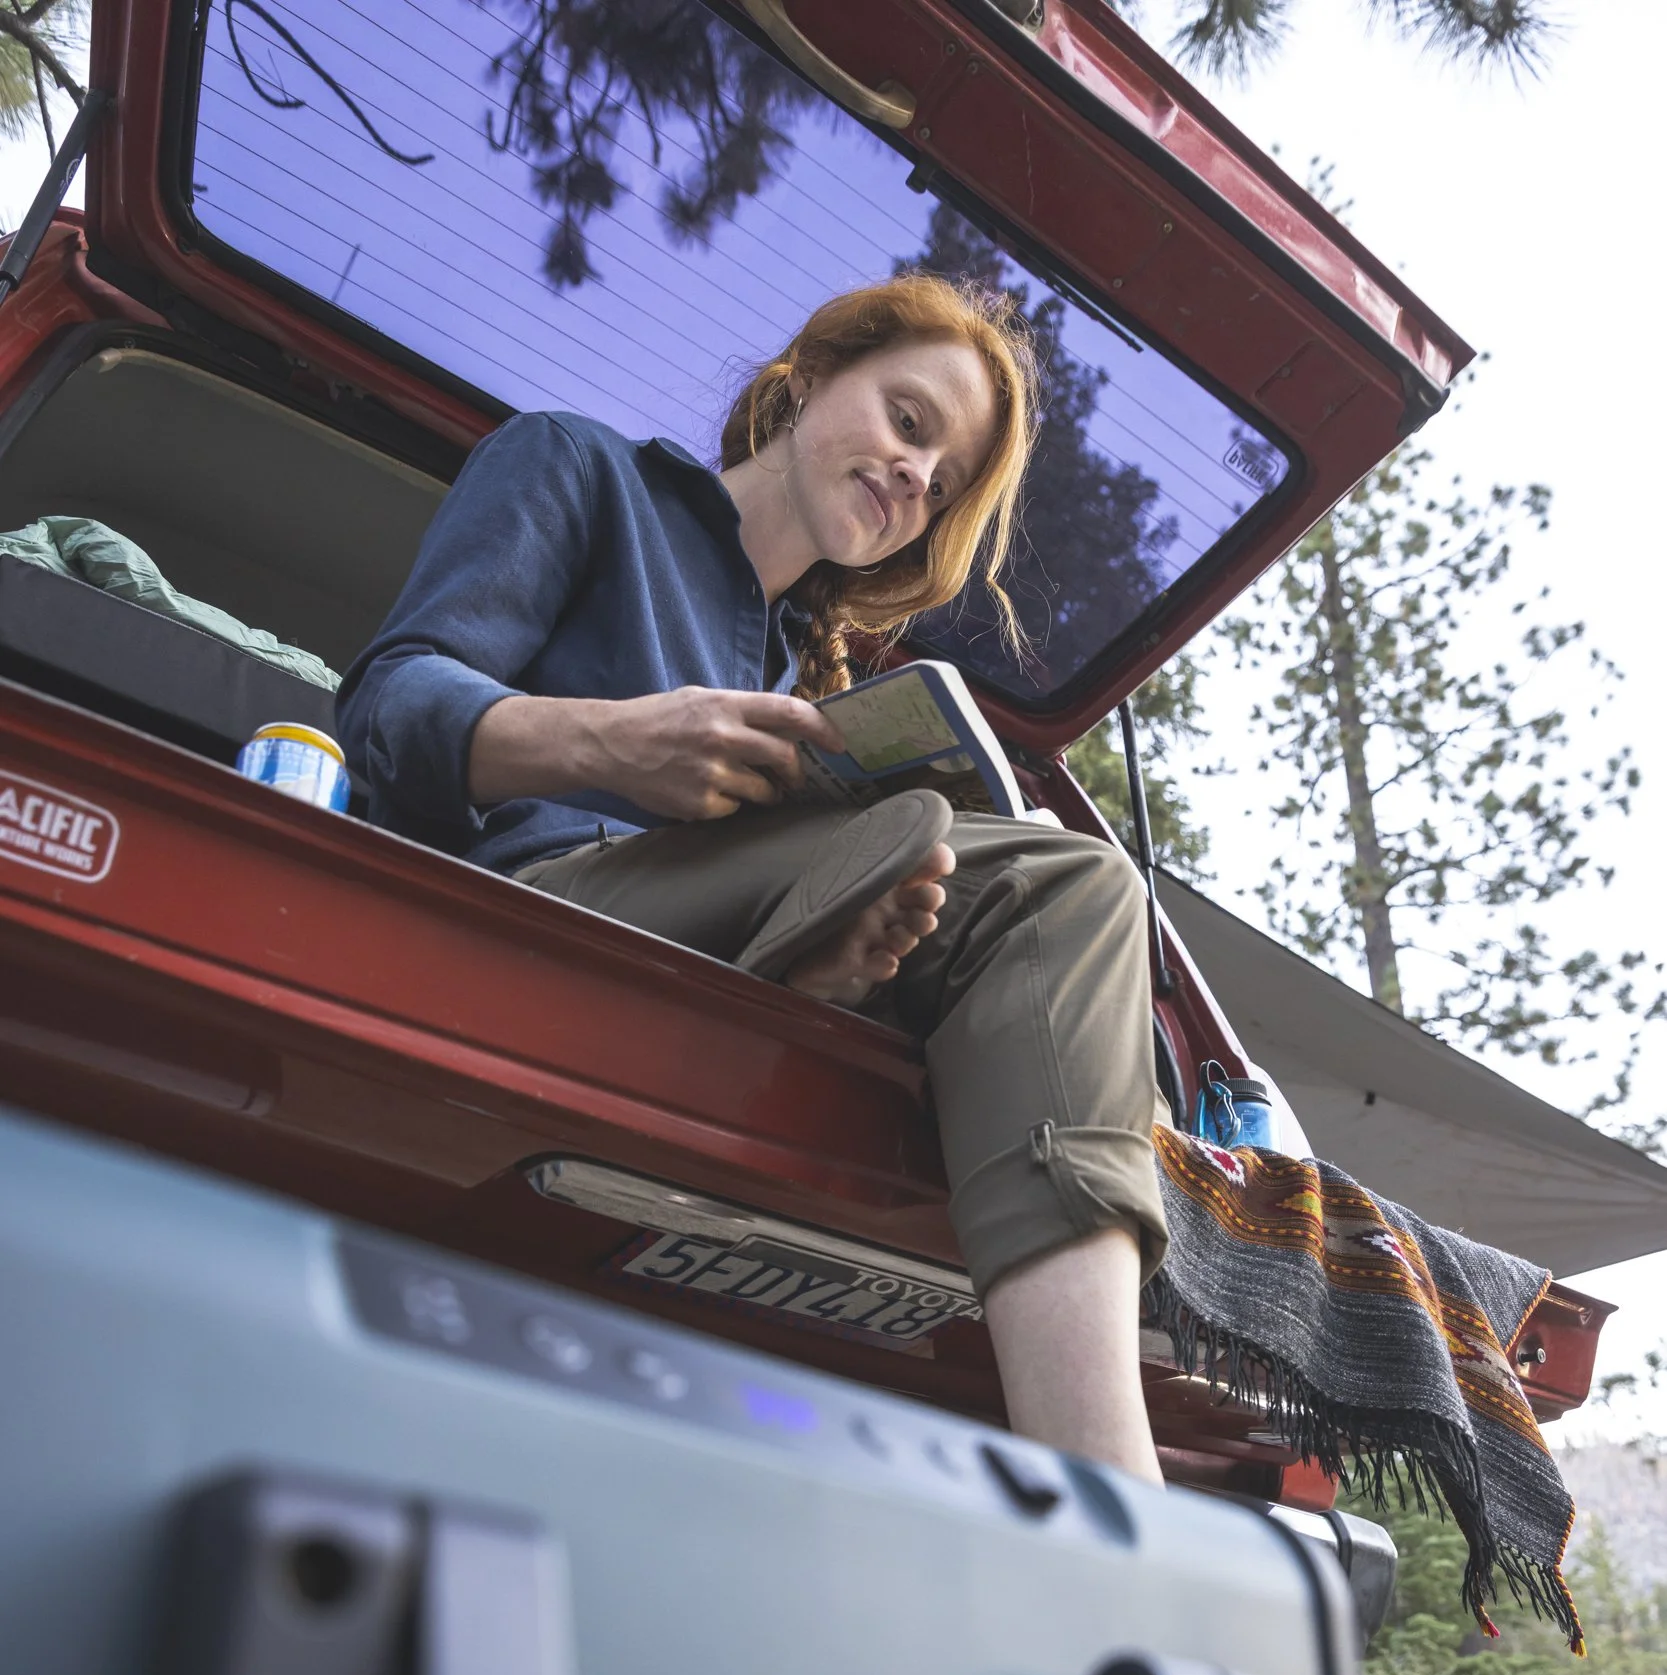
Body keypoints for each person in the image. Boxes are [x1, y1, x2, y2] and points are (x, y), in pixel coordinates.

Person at [338, 273, 1167, 1484]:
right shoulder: (579, 468)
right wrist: (605, 742)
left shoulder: (815, 690)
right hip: (531, 916)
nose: (909, 479)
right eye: (905, 420)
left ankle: (806, 973)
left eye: (936, 485)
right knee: (1073, 891)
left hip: (697, 973)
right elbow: (388, 703)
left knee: (938, 857)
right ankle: (1116, 1497)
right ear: (806, 377)